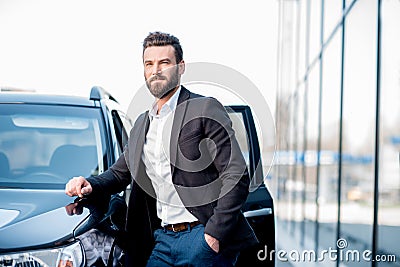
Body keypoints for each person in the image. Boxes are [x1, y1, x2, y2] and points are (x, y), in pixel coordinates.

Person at [65, 31, 258, 267]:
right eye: (149, 64)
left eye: (164, 63)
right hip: (162, 240)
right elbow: (118, 174)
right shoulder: (141, 125)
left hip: (201, 237)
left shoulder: (204, 108)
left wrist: (214, 234)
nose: (156, 70)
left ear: (181, 67)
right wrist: (90, 184)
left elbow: (236, 174)